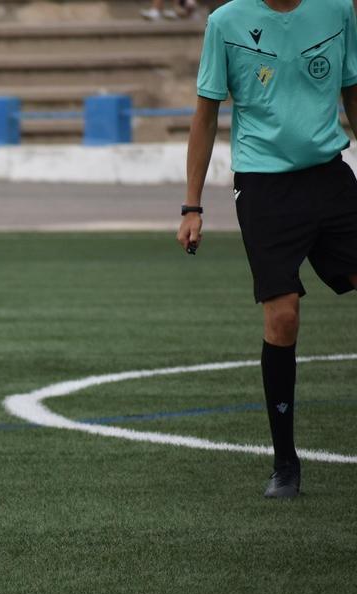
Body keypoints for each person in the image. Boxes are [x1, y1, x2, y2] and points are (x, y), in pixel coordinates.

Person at [177, 0, 357, 499]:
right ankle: (285, 464)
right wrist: (191, 206)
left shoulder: (338, 10)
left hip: (331, 177)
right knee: (283, 316)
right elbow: (205, 114)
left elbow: (353, 92)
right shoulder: (225, 22)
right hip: (264, 187)